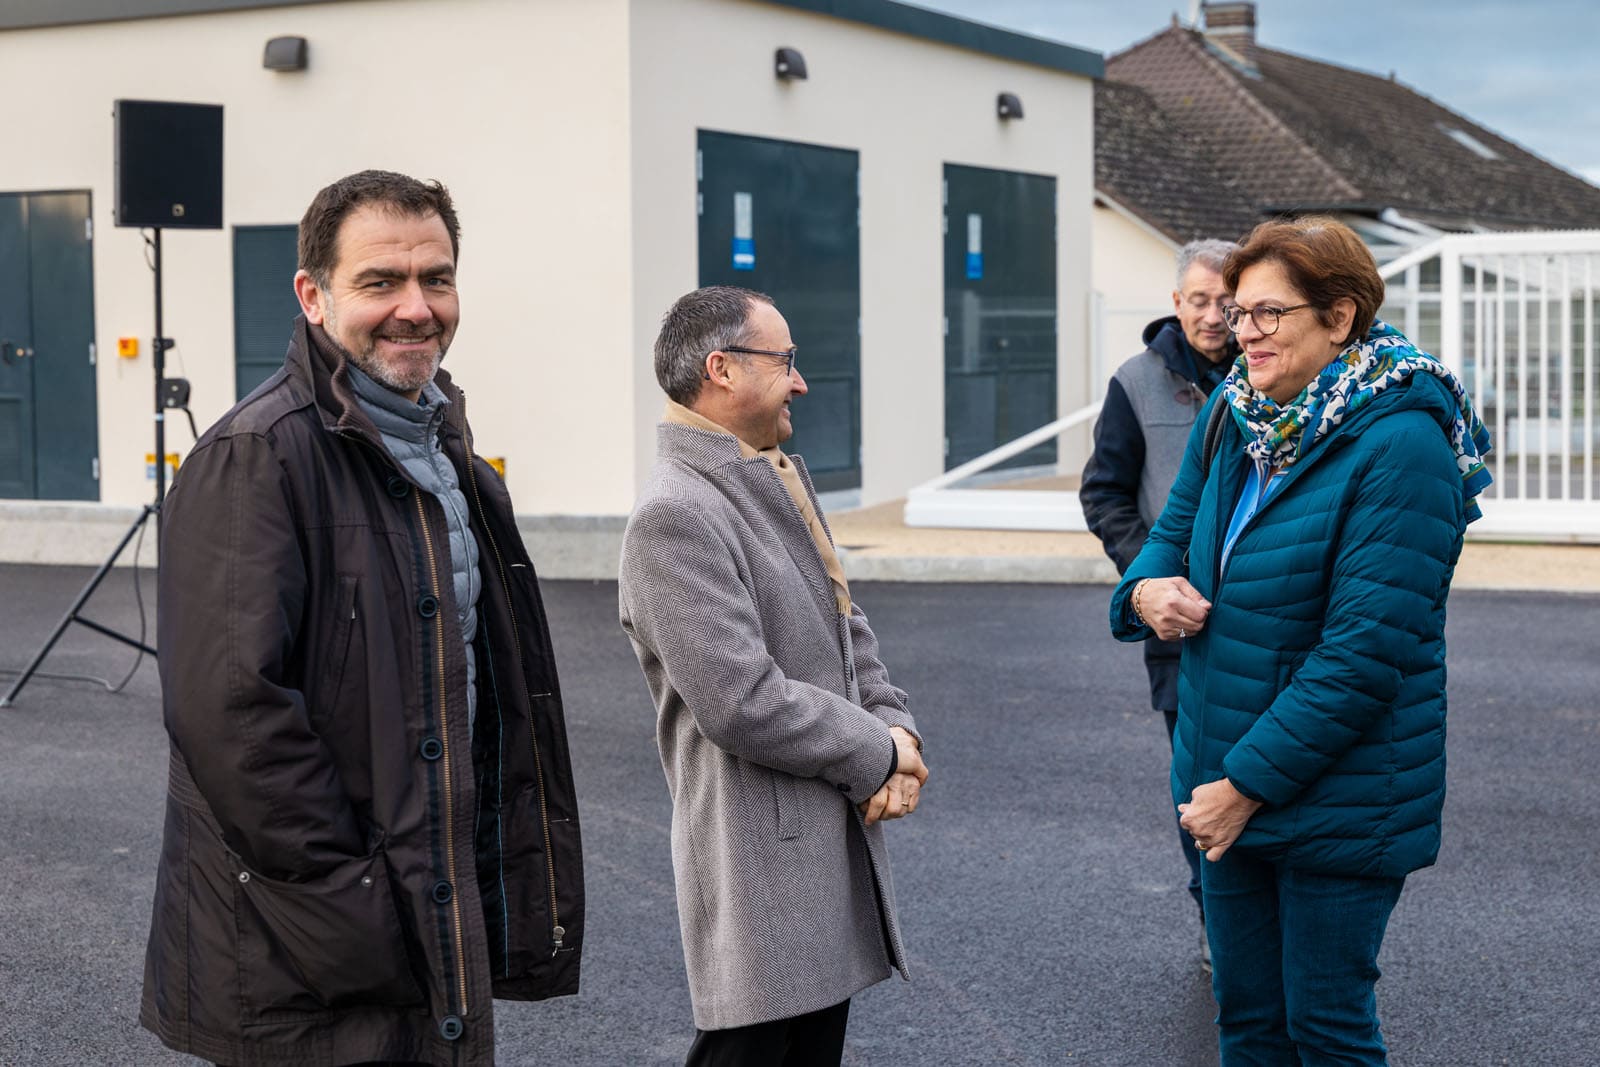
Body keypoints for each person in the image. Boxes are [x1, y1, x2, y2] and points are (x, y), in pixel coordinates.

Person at [141, 170, 584, 1067]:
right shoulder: (257, 457)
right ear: (314, 295)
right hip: (306, 962)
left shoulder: (447, 452)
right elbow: (234, 723)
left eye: (438, 278)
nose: (416, 308)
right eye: (380, 282)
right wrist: (361, 912)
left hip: (427, 919)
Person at [1110, 216, 1491, 1064]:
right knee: (1246, 1023)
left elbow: (1365, 656)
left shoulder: (1402, 444)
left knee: (1326, 1031)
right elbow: (1170, 532)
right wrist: (1146, 588)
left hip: (1336, 796)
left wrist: (1242, 786)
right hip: (1224, 777)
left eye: (1268, 314)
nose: (1240, 331)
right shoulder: (1237, 410)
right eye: (1238, 313)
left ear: (1341, 317)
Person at [618, 286, 928, 1066]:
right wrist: (878, 754)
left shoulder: (769, 473)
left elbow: (844, 621)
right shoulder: (675, 513)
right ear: (721, 369)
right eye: (785, 360)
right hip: (761, 852)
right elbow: (741, 700)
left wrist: (899, 727)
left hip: (814, 832)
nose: (801, 381)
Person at [1080, 237, 1239, 966]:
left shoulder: (1276, 374)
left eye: (1227, 301)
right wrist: (1146, 578)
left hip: (1263, 617)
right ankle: (1216, 917)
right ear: (1176, 302)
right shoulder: (1134, 383)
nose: (1215, 315)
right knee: (1198, 777)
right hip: (1174, 626)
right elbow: (1104, 491)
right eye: (1199, 299)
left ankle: (1261, 914)